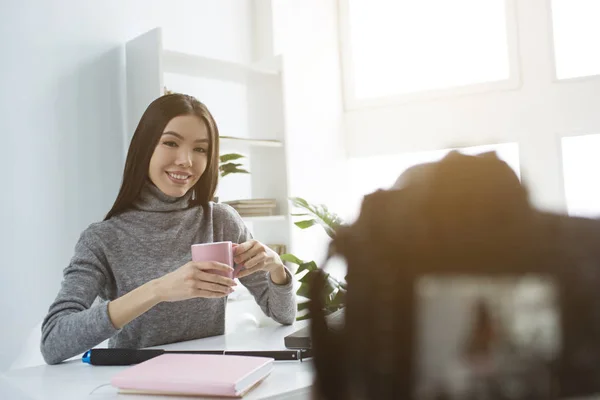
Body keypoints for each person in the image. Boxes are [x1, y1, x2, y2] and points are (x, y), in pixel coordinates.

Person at [40, 94, 296, 365]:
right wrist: (159, 290)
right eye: (171, 143)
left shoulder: (221, 221)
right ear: (146, 147)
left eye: (200, 149)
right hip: (135, 384)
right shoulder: (102, 239)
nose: (186, 160)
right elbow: (53, 341)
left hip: (211, 378)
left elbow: (284, 315)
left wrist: (277, 269)